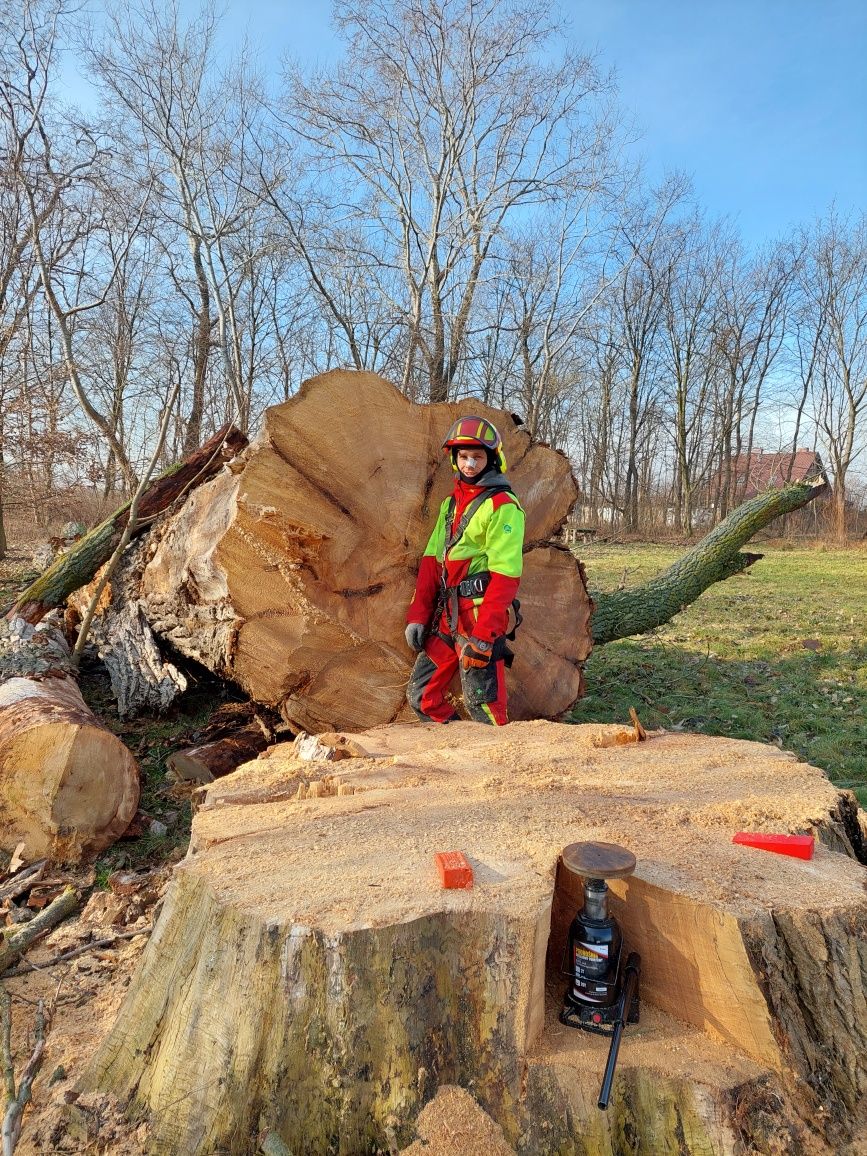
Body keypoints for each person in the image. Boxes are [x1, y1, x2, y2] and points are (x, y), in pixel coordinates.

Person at [405, 416, 525, 725]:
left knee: (485, 710)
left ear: (492, 459)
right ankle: (457, 764)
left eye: (477, 456)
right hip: (449, 617)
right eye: (463, 456)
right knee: (422, 696)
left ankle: (499, 766)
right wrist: (419, 615)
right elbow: (433, 560)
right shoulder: (450, 503)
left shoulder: (503, 505)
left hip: (480, 618)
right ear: (455, 460)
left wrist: (485, 636)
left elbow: (506, 576)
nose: (470, 463)